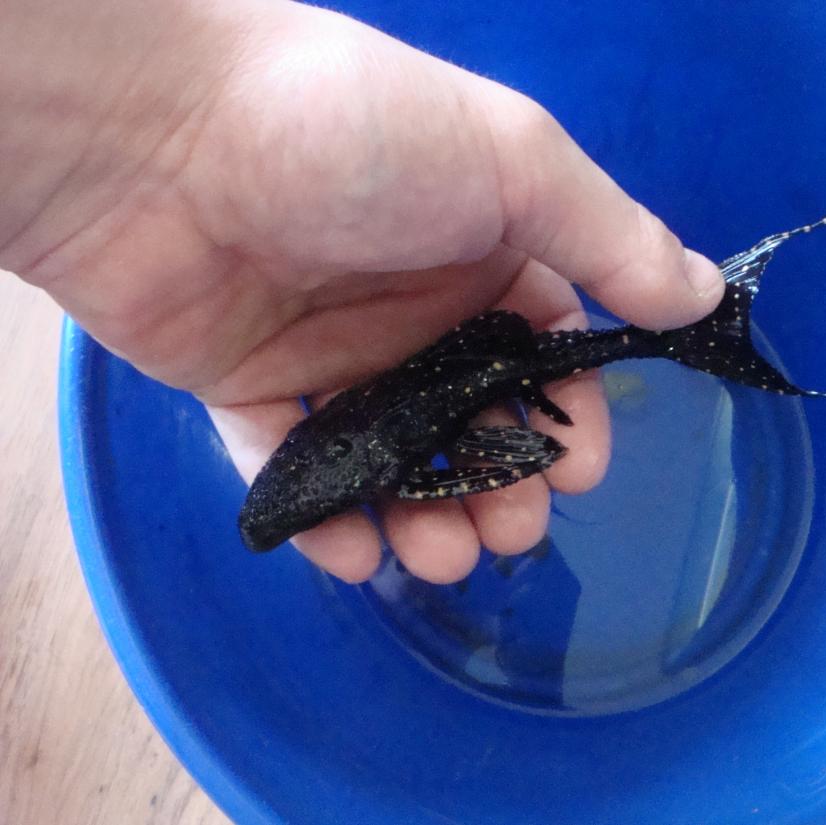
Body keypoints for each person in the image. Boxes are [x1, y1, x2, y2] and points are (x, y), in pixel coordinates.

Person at [0, 0, 724, 584]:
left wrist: (155, 113)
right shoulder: (359, 461)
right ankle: (682, 338)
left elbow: (490, 455)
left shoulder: (386, 472)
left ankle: (691, 332)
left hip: (485, 368)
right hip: (483, 363)